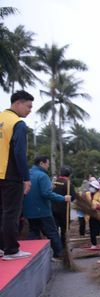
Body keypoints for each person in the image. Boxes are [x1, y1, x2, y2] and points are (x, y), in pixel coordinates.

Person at [0, 90, 34, 260]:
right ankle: (11, 250)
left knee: (1, 212)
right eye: (28, 106)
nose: (30, 110)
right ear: (18, 103)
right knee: (11, 213)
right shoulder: (18, 124)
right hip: (10, 174)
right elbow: (19, 153)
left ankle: (1, 247)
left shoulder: (1, 118)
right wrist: (26, 178)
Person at [22, 156, 72, 259]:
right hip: (42, 210)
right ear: (41, 163)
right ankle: (60, 254)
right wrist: (64, 198)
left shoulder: (26, 174)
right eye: (47, 164)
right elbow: (46, 194)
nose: (48, 166)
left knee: (34, 232)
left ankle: (31, 256)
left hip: (28, 210)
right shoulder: (42, 176)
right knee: (52, 232)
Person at [52, 166, 78, 246]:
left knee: (54, 228)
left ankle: (55, 246)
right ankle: (63, 245)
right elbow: (73, 197)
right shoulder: (68, 183)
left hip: (53, 208)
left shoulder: (54, 182)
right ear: (69, 174)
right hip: (64, 210)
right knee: (65, 229)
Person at [87, 180, 100, 250]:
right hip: (92, 216)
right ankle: (94, 244)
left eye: (92, 187)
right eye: (91, 186)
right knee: (92, 230)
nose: (91, 188)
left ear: (96, 188)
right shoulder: (88, 194)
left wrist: (97, 207)